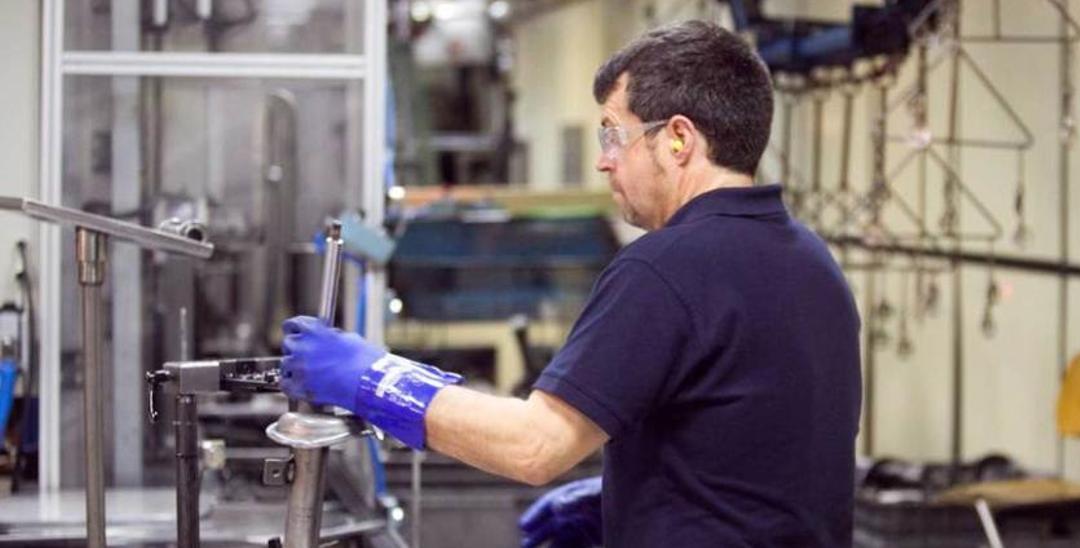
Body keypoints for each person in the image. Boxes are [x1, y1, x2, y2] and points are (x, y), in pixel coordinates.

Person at [280, 20, 862, 548]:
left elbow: (534, 446)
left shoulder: (665, 267)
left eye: (614, 136)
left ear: (678, 139)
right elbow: (764, 460)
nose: (605, 162)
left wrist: (371, 379)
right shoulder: (814, 263)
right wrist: (636, 503)